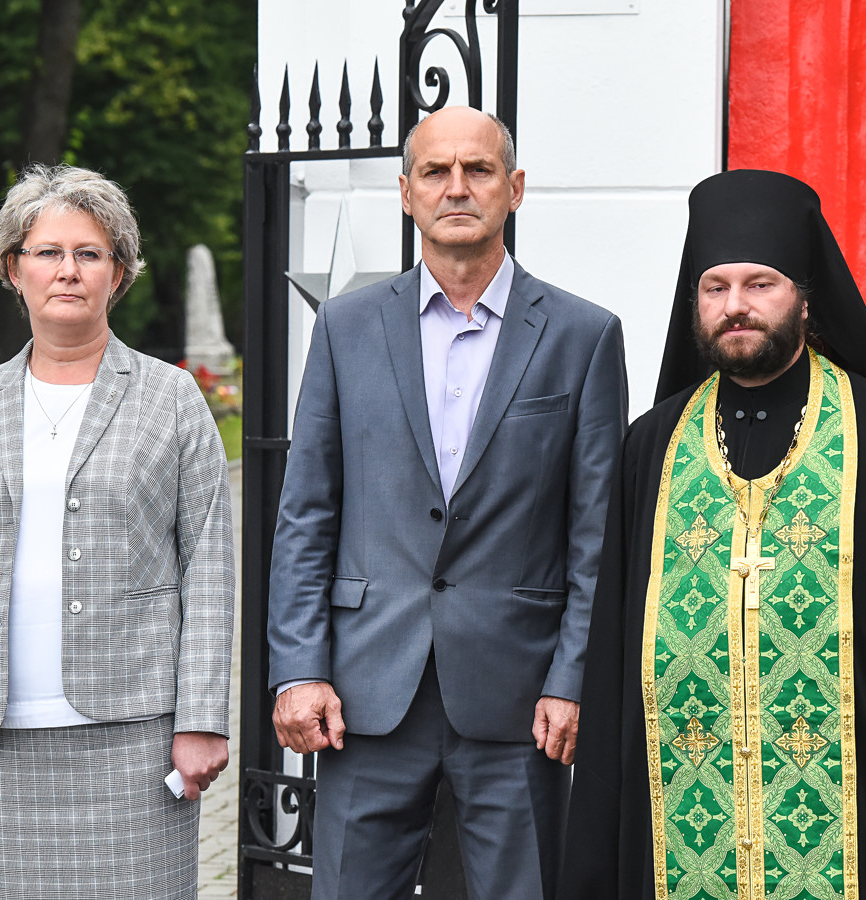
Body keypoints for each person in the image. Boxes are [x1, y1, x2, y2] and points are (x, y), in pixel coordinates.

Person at [561, 169, 866, 899]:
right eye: (715, 288)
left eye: (760, 284)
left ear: (805, 299)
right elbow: (617, 665)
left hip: (856, 843)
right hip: (680, 848)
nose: (735, 307)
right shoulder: (653, 446)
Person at [266, 105, 628, 899]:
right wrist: (297, 670)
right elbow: (306, 513)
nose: (456, 187)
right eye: (435, 171)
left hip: (520, 697)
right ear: (406, 193)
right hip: (364, 693)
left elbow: (596, 533)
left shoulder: (583, 336)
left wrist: (574, 677)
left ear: (514, 188)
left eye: (478, 169)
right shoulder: (346, 328)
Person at [0, 164, 234, 898]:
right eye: (48, 252)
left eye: (89, 253)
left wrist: (203, 718)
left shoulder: (172, 398)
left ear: (120, 272)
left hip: (137, 739)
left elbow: (209, 569)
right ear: (14, 270)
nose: (68, 270)